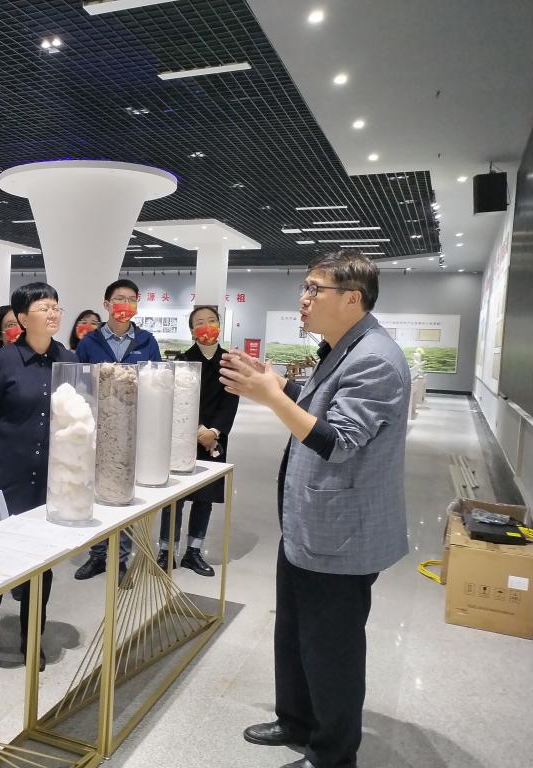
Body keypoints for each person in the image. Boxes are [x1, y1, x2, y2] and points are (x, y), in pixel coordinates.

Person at [219, 250, 410, 768]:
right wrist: (280, 386)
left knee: (332, 650)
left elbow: (339, 441)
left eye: (314, 290)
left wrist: (272, 397)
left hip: (341, 536)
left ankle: (332, 755)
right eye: (303, 288)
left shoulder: (375, 358)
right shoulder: (343, 347)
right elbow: (322, 399)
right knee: (295, 632)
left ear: (352, 298)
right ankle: (297, 720)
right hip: (309, 525)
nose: (303, 299)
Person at [0, 282, 77, 686]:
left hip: (49, 483)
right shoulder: (3, 361)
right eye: (44, 307)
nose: (53, 313)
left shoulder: (69, 360)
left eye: (56, 306)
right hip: (5, 479)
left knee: (40, 569)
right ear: (23, 317)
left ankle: (32, 638)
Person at [73, 279, 162, 581]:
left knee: (124, 491)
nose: (125, 304)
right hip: (97, 429)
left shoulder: (147, 341)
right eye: (119, 299)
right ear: (106, 304)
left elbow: (155, 382)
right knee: (96, 489)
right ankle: (98, 554)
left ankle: (121, 557)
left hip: (132, 429)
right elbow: (79, 385)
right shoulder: (89, 342)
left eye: (131, 299)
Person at [156, 305, 239, 576]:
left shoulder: (229, 362)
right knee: (175, 497)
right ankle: (166, 551)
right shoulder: (182, 360)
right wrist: (198, 428)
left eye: (211, 321)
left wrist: (214, 432)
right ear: (192, 330)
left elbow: (230, 401)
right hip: (183, 435)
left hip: (214, 440)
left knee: (205, 497)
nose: (206, 326)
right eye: (200, 322)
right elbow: (176, 399)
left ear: (219, 326)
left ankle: (193, 552)